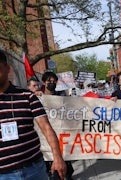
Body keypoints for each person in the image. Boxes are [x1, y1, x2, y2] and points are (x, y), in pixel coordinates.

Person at [0, 50, 66, 179]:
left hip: (34, 169)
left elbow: (46, 128)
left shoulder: (27, 96)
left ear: (8, 69)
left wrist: (57, 157)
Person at [41, 71, 74, 179]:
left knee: (67, 171)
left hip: (63, 138)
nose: (52, 83)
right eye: (49, 81)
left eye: (54, 81)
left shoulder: (62, 96)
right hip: (47, 139)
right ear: (43, 83)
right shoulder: (39, 98)